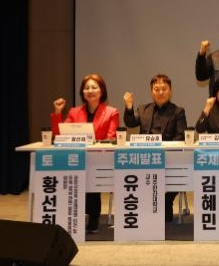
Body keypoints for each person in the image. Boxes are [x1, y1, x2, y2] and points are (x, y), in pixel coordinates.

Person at [51, 73, 119, 234]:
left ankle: (93, 216)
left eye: (94, 87)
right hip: (77, 158)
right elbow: (59, 135)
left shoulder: (112, 112)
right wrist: (58, 113)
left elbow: (111, 138)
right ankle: (75, 214)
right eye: (86, 88)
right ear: (82, 92)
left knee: (90, 171)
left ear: (102, 91)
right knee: (74, 170)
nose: (90, 90)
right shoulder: (74, 112)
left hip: (101, 159)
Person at [123, 74, 187, 222]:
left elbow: (181, 136)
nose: (160, 92)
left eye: (164, 88)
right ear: (151, 91)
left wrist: (165, 149)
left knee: (178, 171)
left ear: (170, 91)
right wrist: (129, 107)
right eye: (156, 89)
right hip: (145, 157)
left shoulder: (178, 111)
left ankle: (166, 201)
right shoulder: (143, 109)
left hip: (169, 158)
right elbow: (131, 123)